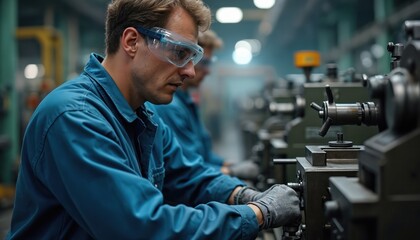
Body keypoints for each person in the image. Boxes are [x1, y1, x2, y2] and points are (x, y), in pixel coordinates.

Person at [7, 0, 300, 239]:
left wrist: (242, 194)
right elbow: (140, 227)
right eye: (179, 53)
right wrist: (258, 214)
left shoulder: (144, 116)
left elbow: (188, 176)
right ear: (132, 41)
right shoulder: (74, 118)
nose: (190, 72)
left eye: (193, 58)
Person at [152, 29, 260, 181]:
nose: (208, 71)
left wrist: (228, 165)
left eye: (210, 63)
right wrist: (231, 173)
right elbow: (187, 169)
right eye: (203, 63)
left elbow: (204, 155)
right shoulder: (170, 106)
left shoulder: (187, 102)